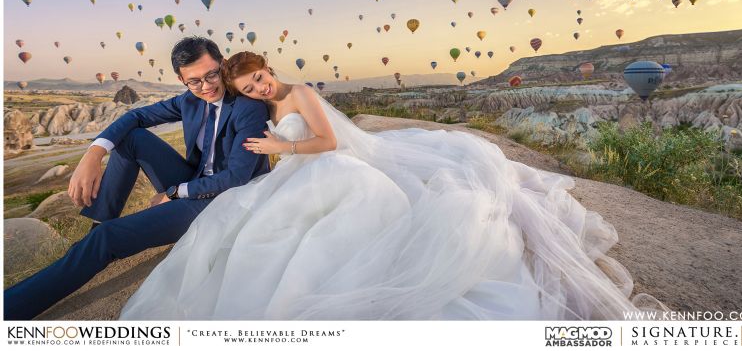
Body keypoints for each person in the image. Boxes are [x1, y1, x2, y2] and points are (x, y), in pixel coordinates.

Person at [121, 51, 666, 320]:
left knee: (322, 222)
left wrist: (282, 149)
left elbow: (329, 143)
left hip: (319, 162)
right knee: (261, 232)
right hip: (295, 172)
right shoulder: (260, 106)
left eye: (259, 78)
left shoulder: (302, 92)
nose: (260, 87)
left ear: (267, 67)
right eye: (249, 86)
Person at [4, 38, 270, 320]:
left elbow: (236, 178)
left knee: (108, 240)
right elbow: (136, 116)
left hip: (223, 200)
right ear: (181, 80)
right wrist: (93, 154)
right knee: (132, 138)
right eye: (194, 81)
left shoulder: (246, 107)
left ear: (223, 64)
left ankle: (9, 310)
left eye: (211, 74)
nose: (205, 86)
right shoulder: (190, 101)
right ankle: (100, 224)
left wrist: (176, 191)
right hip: (194, 180)